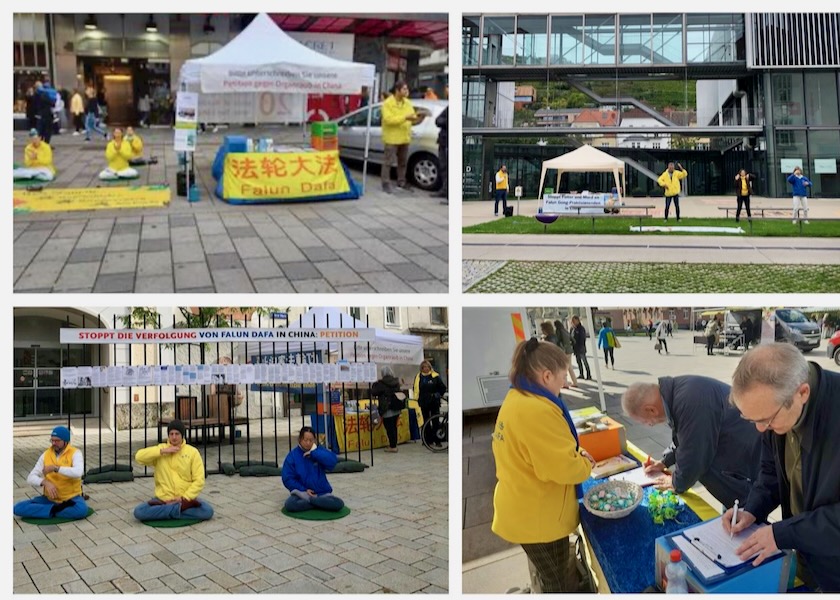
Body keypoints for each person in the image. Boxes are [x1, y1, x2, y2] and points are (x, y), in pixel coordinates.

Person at [723, 343, 840, 591]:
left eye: (766, 419)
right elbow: (771, 473)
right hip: (807, 554)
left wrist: (782, 534)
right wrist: (752, 510)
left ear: (803, 392)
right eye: (752, 419)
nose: (760, 429)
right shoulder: (775, 408)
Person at [492, 338, 596, 592]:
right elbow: (562, 469)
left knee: (548, 572)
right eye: (563, 376)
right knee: (556, 581)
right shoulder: (537, 411)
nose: (566, 383)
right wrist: (584, 464)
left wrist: (574, 452)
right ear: (547, 375)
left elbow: (546, 450)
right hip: (540, 519)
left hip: (524, 507)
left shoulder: (519, 396)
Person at [622, 377, 761, 508]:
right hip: (735, 443)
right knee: (735, 511)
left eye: (645, 421)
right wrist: (664, 461)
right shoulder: (676, 394)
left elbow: (694, 455)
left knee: (745, 512)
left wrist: (676, 483)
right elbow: (684, 438)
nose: (649, 425)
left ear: (651, 409)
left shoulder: (688, 403)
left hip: (746, 453)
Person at [132, 420, 214, 522]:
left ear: (182, 435)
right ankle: (177, 511)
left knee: (207, 511)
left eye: (177, 434)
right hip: (163, 500)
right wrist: (162, 451)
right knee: (139, 512)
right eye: (171, 434)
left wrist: (184, 498)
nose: (174, 437)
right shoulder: (161, 449)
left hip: (184, 500)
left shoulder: (192, 452)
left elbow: (199, 480)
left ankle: (167, 512)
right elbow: (139, 457)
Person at [13, 426, 90, 520]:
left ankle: (47, 511)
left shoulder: (75, 453)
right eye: (52, 440)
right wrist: (45, 482)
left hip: (70, 499)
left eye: (57, 441)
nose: (54, 443)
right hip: (49, 499)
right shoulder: (45, 455)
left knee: (81, 510)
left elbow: (78, 472)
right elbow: (30, 477)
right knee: (18, 508)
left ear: (66, 441)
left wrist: (55, 468)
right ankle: (55, 510)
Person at [281, 426, 345, 513]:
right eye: (305, 440)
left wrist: (314, 454)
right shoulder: (293, 456)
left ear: (314, 440)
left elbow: (332, 462)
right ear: (300, 439)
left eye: (311, 440)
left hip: (321, 492)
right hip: (303, 493)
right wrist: (304, 490)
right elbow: (287, 478)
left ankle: (314, 502)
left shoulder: (318, 451)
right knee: (290, 504)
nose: (308, 443)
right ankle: (318, 503)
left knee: (338, 504)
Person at [381, 80, 423, 194]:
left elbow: (411, 118)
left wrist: (419, 118)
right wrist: (405, 118)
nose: (406, 91)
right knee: (388, 162)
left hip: (404, 137)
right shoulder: (388, 103)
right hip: (392, 138)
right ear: (397, 90)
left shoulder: (407, 103)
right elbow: (388, 120)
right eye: (404, 89)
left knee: (403, 162)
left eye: (407, 89)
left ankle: (401, 181)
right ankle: (385, 183)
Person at [414, 360, 447, 448]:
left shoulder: (435, 376)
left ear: (430, 367)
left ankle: (437, 440)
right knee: (426, 421)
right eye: (424, 367)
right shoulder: (418, 377)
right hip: (424, 402)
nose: (426, 368)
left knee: (435, 421)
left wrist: (438, 394)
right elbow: (416, 389)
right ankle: (427, 440)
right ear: (421, 368)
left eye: (427, 367)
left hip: (434, 401)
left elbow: (442, 388)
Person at [371, 366, 404, 453]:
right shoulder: (396, 381)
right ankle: (394, 444)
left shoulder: (381, 383)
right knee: (394, 426)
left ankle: (392, 446)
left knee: (389, 427)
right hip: (396, 406)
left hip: (386, 407)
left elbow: (374, 392)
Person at [555, 319, 578, 387]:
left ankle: (565, 384)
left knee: (563, 367)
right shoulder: (565, 330)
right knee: (569, 367)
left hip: (563, 351)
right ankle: (575, 382)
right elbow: (573, 340)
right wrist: (569, 345)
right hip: (569, 350)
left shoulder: (558, 331)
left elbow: (557, 341)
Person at [571, 315, 591, 381]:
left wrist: (579, 346)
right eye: (572, 321)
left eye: (574, 320)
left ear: (578, 320)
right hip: (576, 349)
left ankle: (588, 375)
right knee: (578, 362)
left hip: (581, 348)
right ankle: (581, 374)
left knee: (584, 361)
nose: (573, 322)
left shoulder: (581, 328)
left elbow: (582, 338)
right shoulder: (573, 328)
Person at [434, 105, 448, 201]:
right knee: (443, 167)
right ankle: (444, 190)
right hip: (443, 142)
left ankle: (448, 192)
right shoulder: (449, 108)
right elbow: (438, 120)